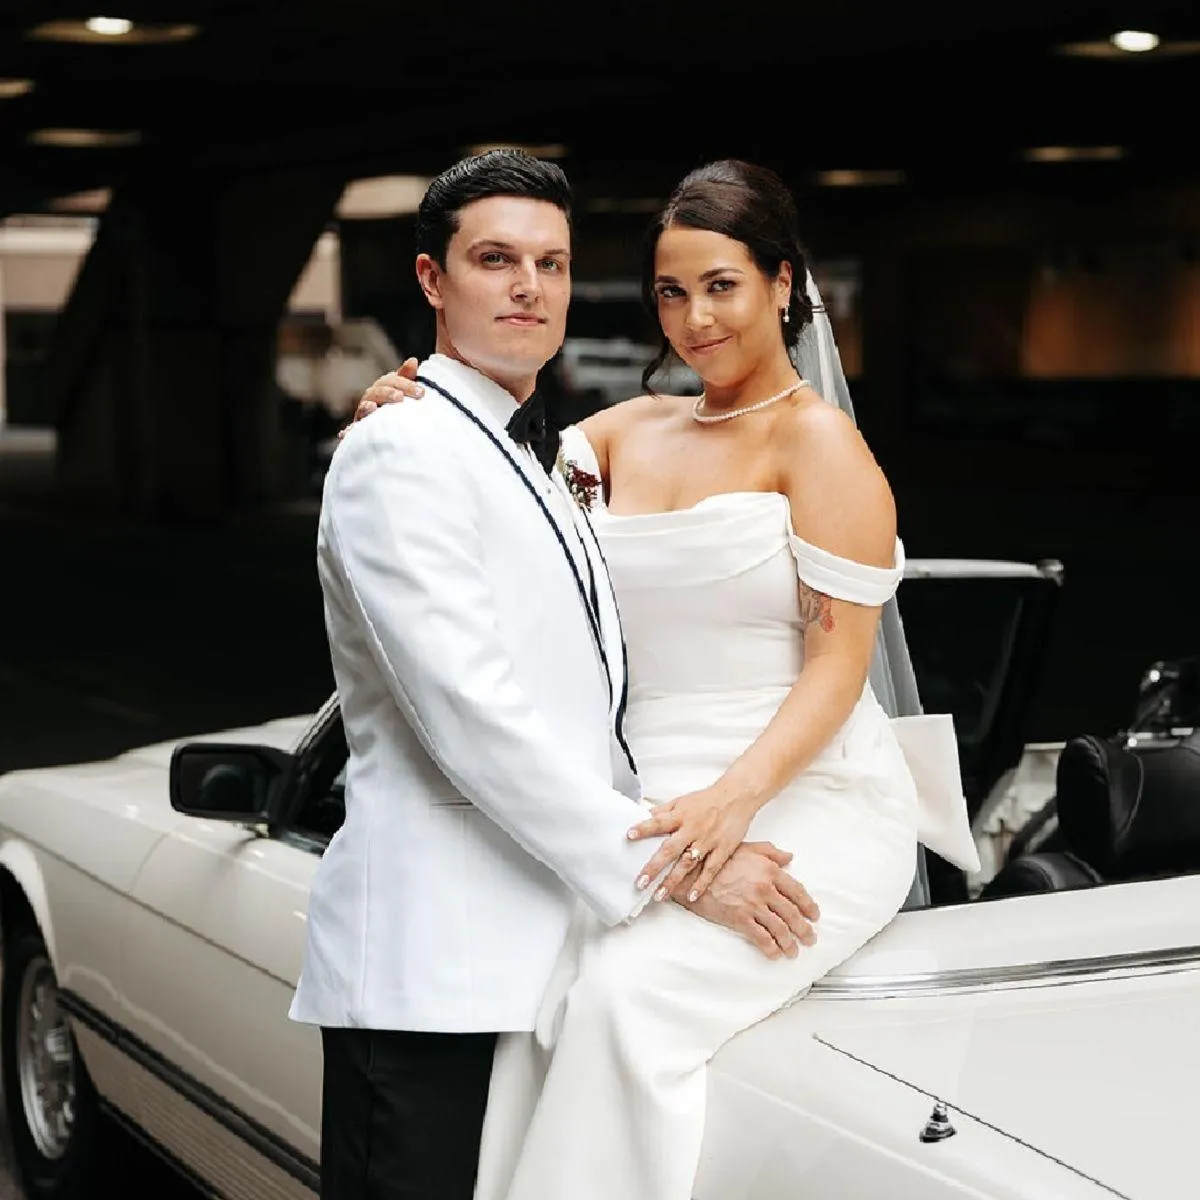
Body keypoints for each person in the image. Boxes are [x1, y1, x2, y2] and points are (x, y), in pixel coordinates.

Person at [349, 158, 972, 1200]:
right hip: (641, 811)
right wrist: (404, 398)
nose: (694, 319)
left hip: (798, 795)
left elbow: (838, 665)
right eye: (671, 293)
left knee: (624, 999)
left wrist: (729, 806)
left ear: (783, 284)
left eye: (721, 285)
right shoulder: (622, 433)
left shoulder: (822, 447)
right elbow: (487, 484)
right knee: (551, 985)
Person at [288, 149, 821, 1200]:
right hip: (430, 976)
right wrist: (681, 872)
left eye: (553, 263)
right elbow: (470, 713)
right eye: (496, 260)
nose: (530, 286)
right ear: (433, 280)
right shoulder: (401, 453)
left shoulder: (543, 453)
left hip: (547, 962)